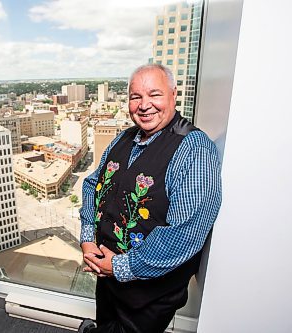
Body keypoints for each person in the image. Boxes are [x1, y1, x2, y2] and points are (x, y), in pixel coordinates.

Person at [78, 64, 222, 333]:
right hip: (107, 274)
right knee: (106, 325)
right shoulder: (124, 138)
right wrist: (88, 239)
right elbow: (91, 185)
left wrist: (119, 266)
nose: (144, 105)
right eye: (136, 97)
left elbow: (185, 233)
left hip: (149, 296)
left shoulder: (194, 150)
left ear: (173, 95)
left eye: (154, 95)